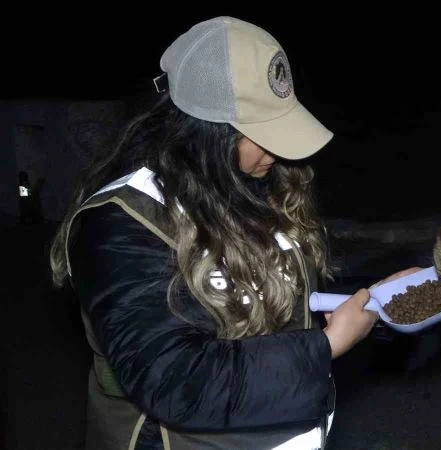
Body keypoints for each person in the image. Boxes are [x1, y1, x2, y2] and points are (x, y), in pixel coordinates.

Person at [48, 16, 399, 449]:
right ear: (203, 132)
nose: (278, 150)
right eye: (261, 133)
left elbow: (287, 305)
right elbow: (175, 380)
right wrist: (325, 346)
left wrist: (379, 302)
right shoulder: (121, 223)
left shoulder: (255, 187)